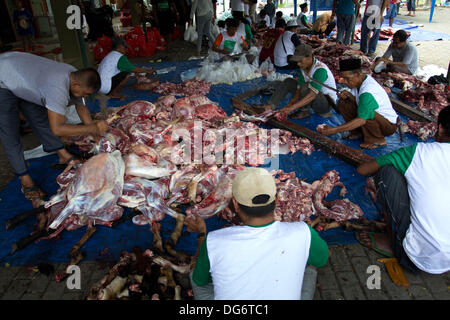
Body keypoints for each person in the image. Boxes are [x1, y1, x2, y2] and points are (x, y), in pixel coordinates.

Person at [185, 167, 329, 300]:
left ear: (235, 204)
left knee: (195, 271)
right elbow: (322, 259)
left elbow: (200, 280)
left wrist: (201, 234)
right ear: (277, 199)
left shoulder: (213, 241)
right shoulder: (303, 232)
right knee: (311, 265)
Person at [0, 52, 108, 201]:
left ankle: (62, 154)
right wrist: (93, 128)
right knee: (9, 130)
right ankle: (24, 178)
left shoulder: (74, 76)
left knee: (38, 116)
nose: (84, 97)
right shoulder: (57, 88)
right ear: (76, 85)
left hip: (23, 75)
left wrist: (97, 138)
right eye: (84, 93)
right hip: (3, 76)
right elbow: (57, 129)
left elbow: (81, 107)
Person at [356, 105, 450, 275]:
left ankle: (393, 243)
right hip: (447, 262)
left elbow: (364, 170)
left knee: (387, 172)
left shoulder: (420, 151)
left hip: (416, 258)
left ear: (441, 128)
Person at [317, 58, 399, 149]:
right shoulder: (361, 80)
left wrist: (333, 130)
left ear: (357, 74)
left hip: (388, 126)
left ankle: (377, 140)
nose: (344, 81)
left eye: (347, 78)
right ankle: (358, 132)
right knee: (344, 101)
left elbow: (361, 120)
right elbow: (355, 98)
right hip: (376, 118)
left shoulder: (368, 92)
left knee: (366, 114)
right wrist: (348, 95)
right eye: (343, 77)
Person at [266, 44, 337, 119]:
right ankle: (270, 106)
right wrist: (289, 105)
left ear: (309, 56)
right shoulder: (303, 68)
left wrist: (291, 108)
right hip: (313, 96)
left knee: (306, 86)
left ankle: (304, 111)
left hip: (325, 104)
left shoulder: (320, 69)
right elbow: (298, 89)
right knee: (289, 81)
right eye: (297, 61)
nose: (298, 64)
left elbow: (312, 95)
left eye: (300, 61)